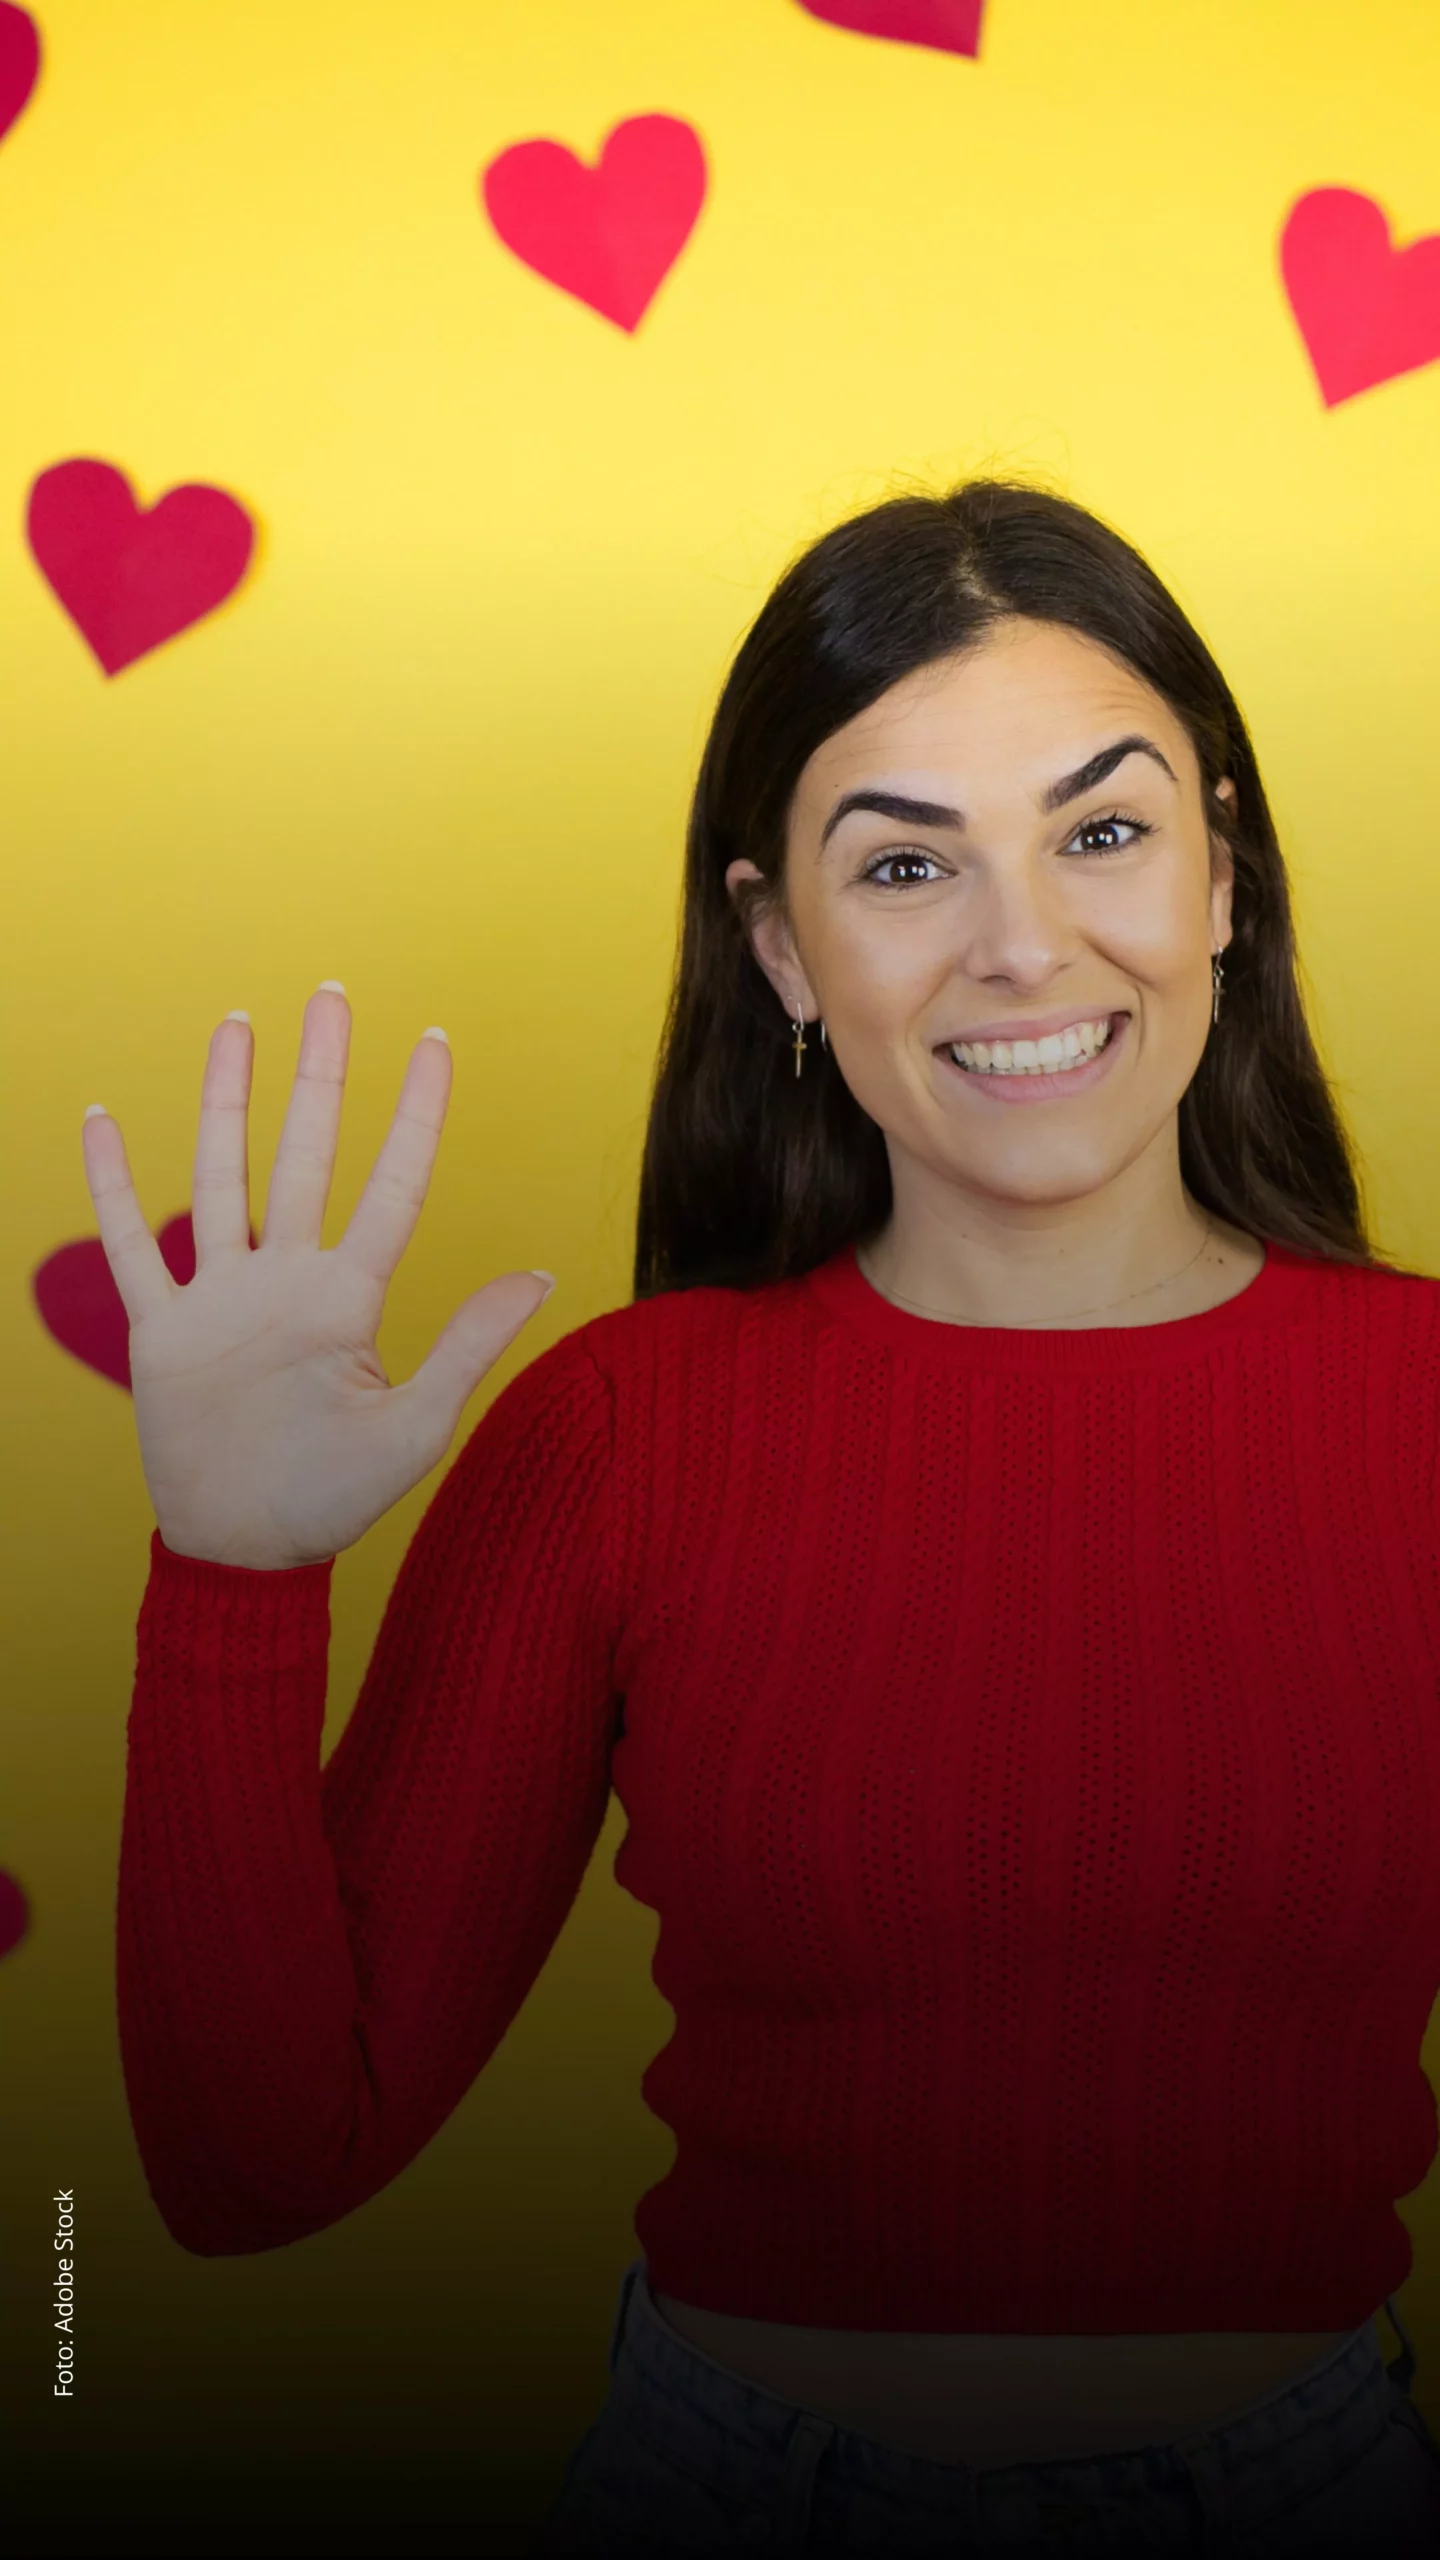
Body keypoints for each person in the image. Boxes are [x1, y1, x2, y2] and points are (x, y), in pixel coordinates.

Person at [83, 480, 1440, 2558]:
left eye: (1103, 833)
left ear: (1223, 879)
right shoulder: (618, 1437)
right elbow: (254, 2170)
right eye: (904, 864)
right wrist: (233, 1576)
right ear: (781, 947)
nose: (1023, 942)